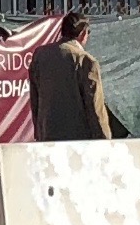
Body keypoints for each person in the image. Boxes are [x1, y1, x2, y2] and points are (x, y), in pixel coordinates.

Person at [27, 9, 112, 143]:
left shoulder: (40, 55)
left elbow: (35, 98)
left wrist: (39, 132)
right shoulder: (86, 61)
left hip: (48, 136)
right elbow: (95, 107)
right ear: (83, 33)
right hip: (79, 141)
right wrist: (105, 141)